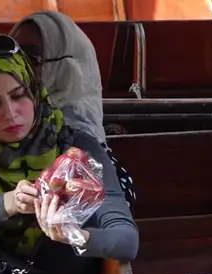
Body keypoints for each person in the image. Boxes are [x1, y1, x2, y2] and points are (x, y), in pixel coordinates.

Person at [0, 32, 138, 274]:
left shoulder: (75, 146)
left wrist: (73, 235)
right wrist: (7, 203)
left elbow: (126, 240)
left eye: (18, 95)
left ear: (34, 91)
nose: (11, 113)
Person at [10, 11, 136, 206]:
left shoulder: (81, 144)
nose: (17, 66)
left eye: (31, 56)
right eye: (15, 54)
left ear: (68, 69)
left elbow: (119, 226)